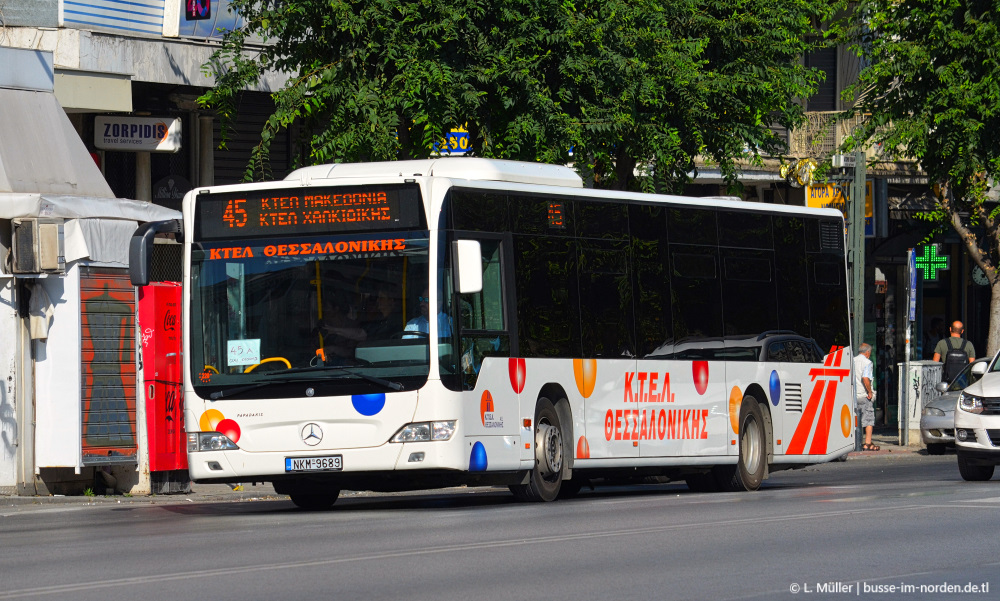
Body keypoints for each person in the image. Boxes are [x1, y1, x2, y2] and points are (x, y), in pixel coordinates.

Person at [317, 292, 367, 361]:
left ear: (336, 309)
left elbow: (353, 352)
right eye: (322, 308)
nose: (323, 311)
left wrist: (334, 349)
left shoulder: (353, 326)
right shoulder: (322, 327)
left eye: (326, 307)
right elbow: (314, 351)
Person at [854, 343, 879, 451]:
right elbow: (865, 378)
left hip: (853, 395)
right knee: (868, 419)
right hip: (863, 395)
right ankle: (867, 443)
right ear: (867, 352)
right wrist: (869, 392)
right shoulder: (867, 362)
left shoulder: (852, 361)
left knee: (855, 419)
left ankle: (855, 442)